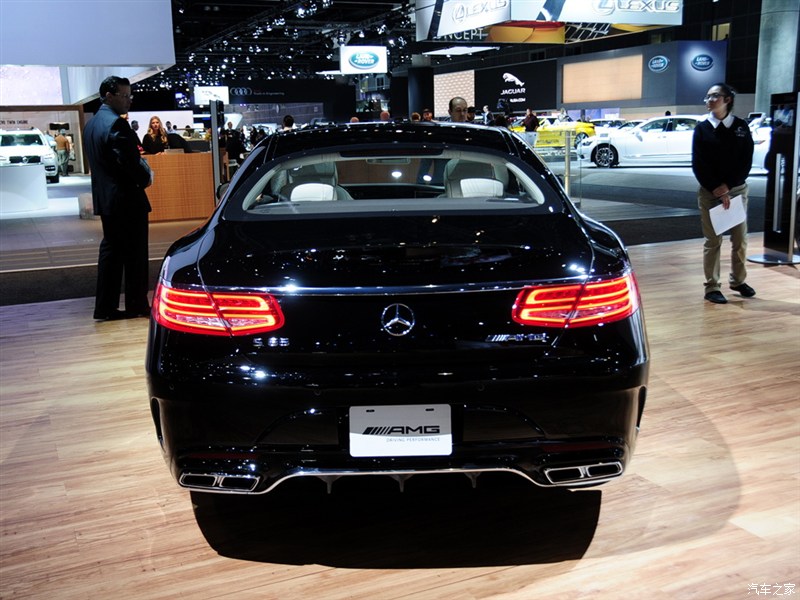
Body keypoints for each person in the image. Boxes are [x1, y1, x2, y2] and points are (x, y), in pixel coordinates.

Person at [83, 75, 152, 320]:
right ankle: (136, 305)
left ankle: (105, 306)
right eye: (124, 96)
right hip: (126, 201)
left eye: (130, 95)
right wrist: (146, 178)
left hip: (107, 200)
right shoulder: (116, 125)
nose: (129, 100)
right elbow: (131, 164)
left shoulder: (92, 124)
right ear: (109, 96)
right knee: (135, 256)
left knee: (111, 254)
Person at [691, 82, 755, 304]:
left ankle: (738, 280)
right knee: (713, 241)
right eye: (707, 97)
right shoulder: (702, 129)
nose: (709, 100)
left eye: (714, 96)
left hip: (736, 190)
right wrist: (717, 188)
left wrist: (728, 186)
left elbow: (745, 161)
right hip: (710, 192)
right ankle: (712, 286)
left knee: (740, 239)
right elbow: (699, 164)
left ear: (727, 100)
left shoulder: (740, 127)